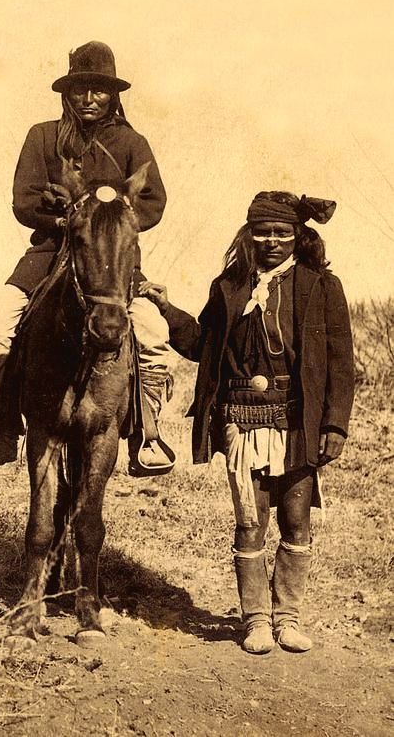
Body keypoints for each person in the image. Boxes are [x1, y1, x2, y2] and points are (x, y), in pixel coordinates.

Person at [139, 191, 354, 654]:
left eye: (282, 232)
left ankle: (288, 618)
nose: (272, 241)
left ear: (298, 236)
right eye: (263, 232)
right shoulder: (229, 287)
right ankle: (256, 621)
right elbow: (203, 346)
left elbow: (340, 362)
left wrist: (335, 425)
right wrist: (166, 308)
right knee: (250, 522)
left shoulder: (321, 285)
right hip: (242, 418)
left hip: (299, 419)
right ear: (249, 235)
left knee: (296, 520)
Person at [0, 41, 175, 473]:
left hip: (111, 264)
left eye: (99, 89)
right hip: (48, 253)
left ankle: (147, 434)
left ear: (114, 94)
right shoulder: (42, 136)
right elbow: (24, 199)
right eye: (80, 89)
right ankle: (1, 427)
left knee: (154, 335)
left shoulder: (133, 143)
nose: (89, 98)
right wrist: (64, 217)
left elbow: (152, 201)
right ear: (67, 93)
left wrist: (111, 222)